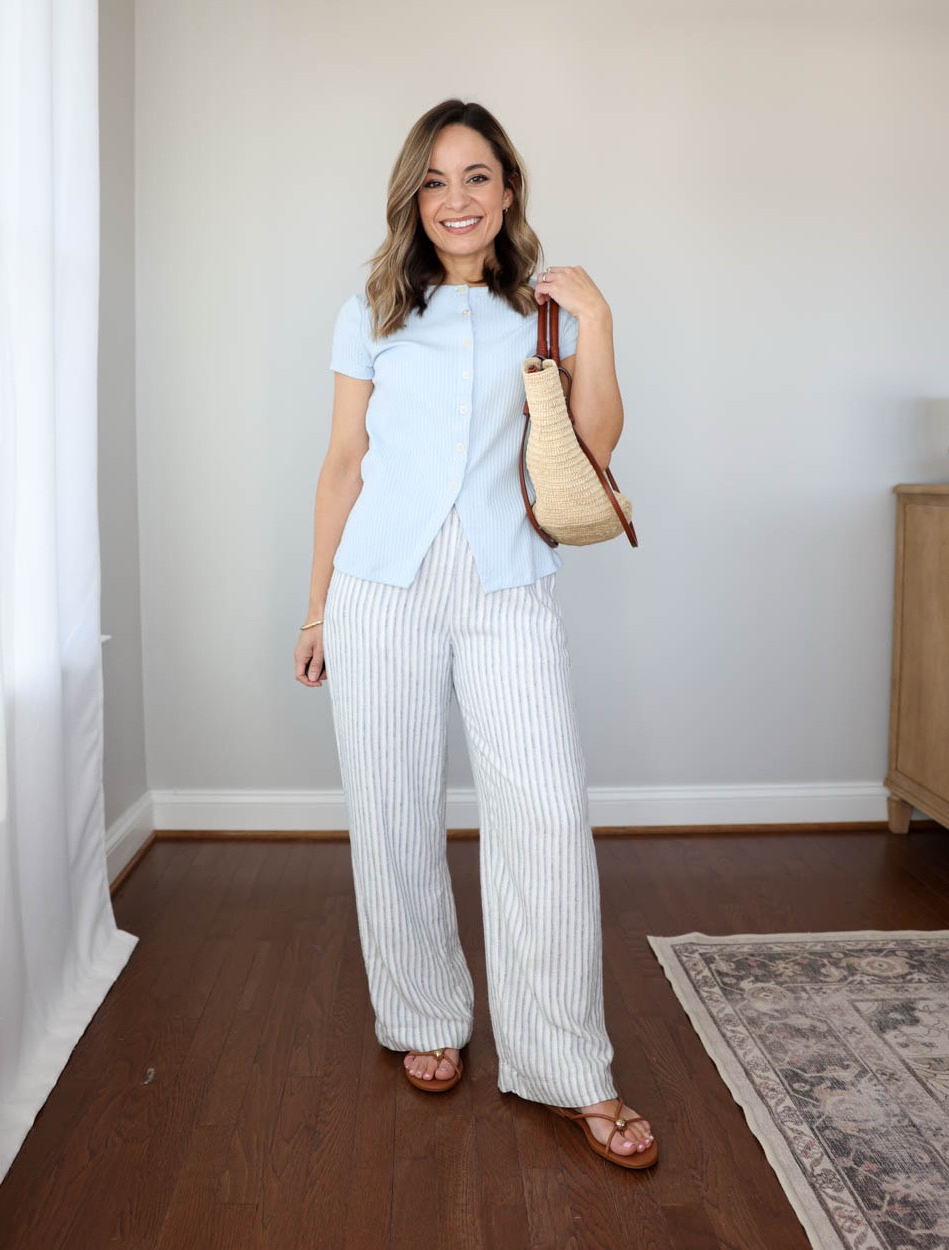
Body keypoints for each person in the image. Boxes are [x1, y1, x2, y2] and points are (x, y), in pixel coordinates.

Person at [294, 98, 656, 1169]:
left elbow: (593, 443)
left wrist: (601, 315)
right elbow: (342, 466)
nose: (457, 199)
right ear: (414, 197)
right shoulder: (368, 311)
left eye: (478, 177)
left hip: (506, 583)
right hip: (379, 586)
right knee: (391, 804)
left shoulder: (543, 312)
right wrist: (315, 606)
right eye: (437, 181)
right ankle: (421, 1015)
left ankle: (566, 1067)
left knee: (545, 813)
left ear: (507, 193)